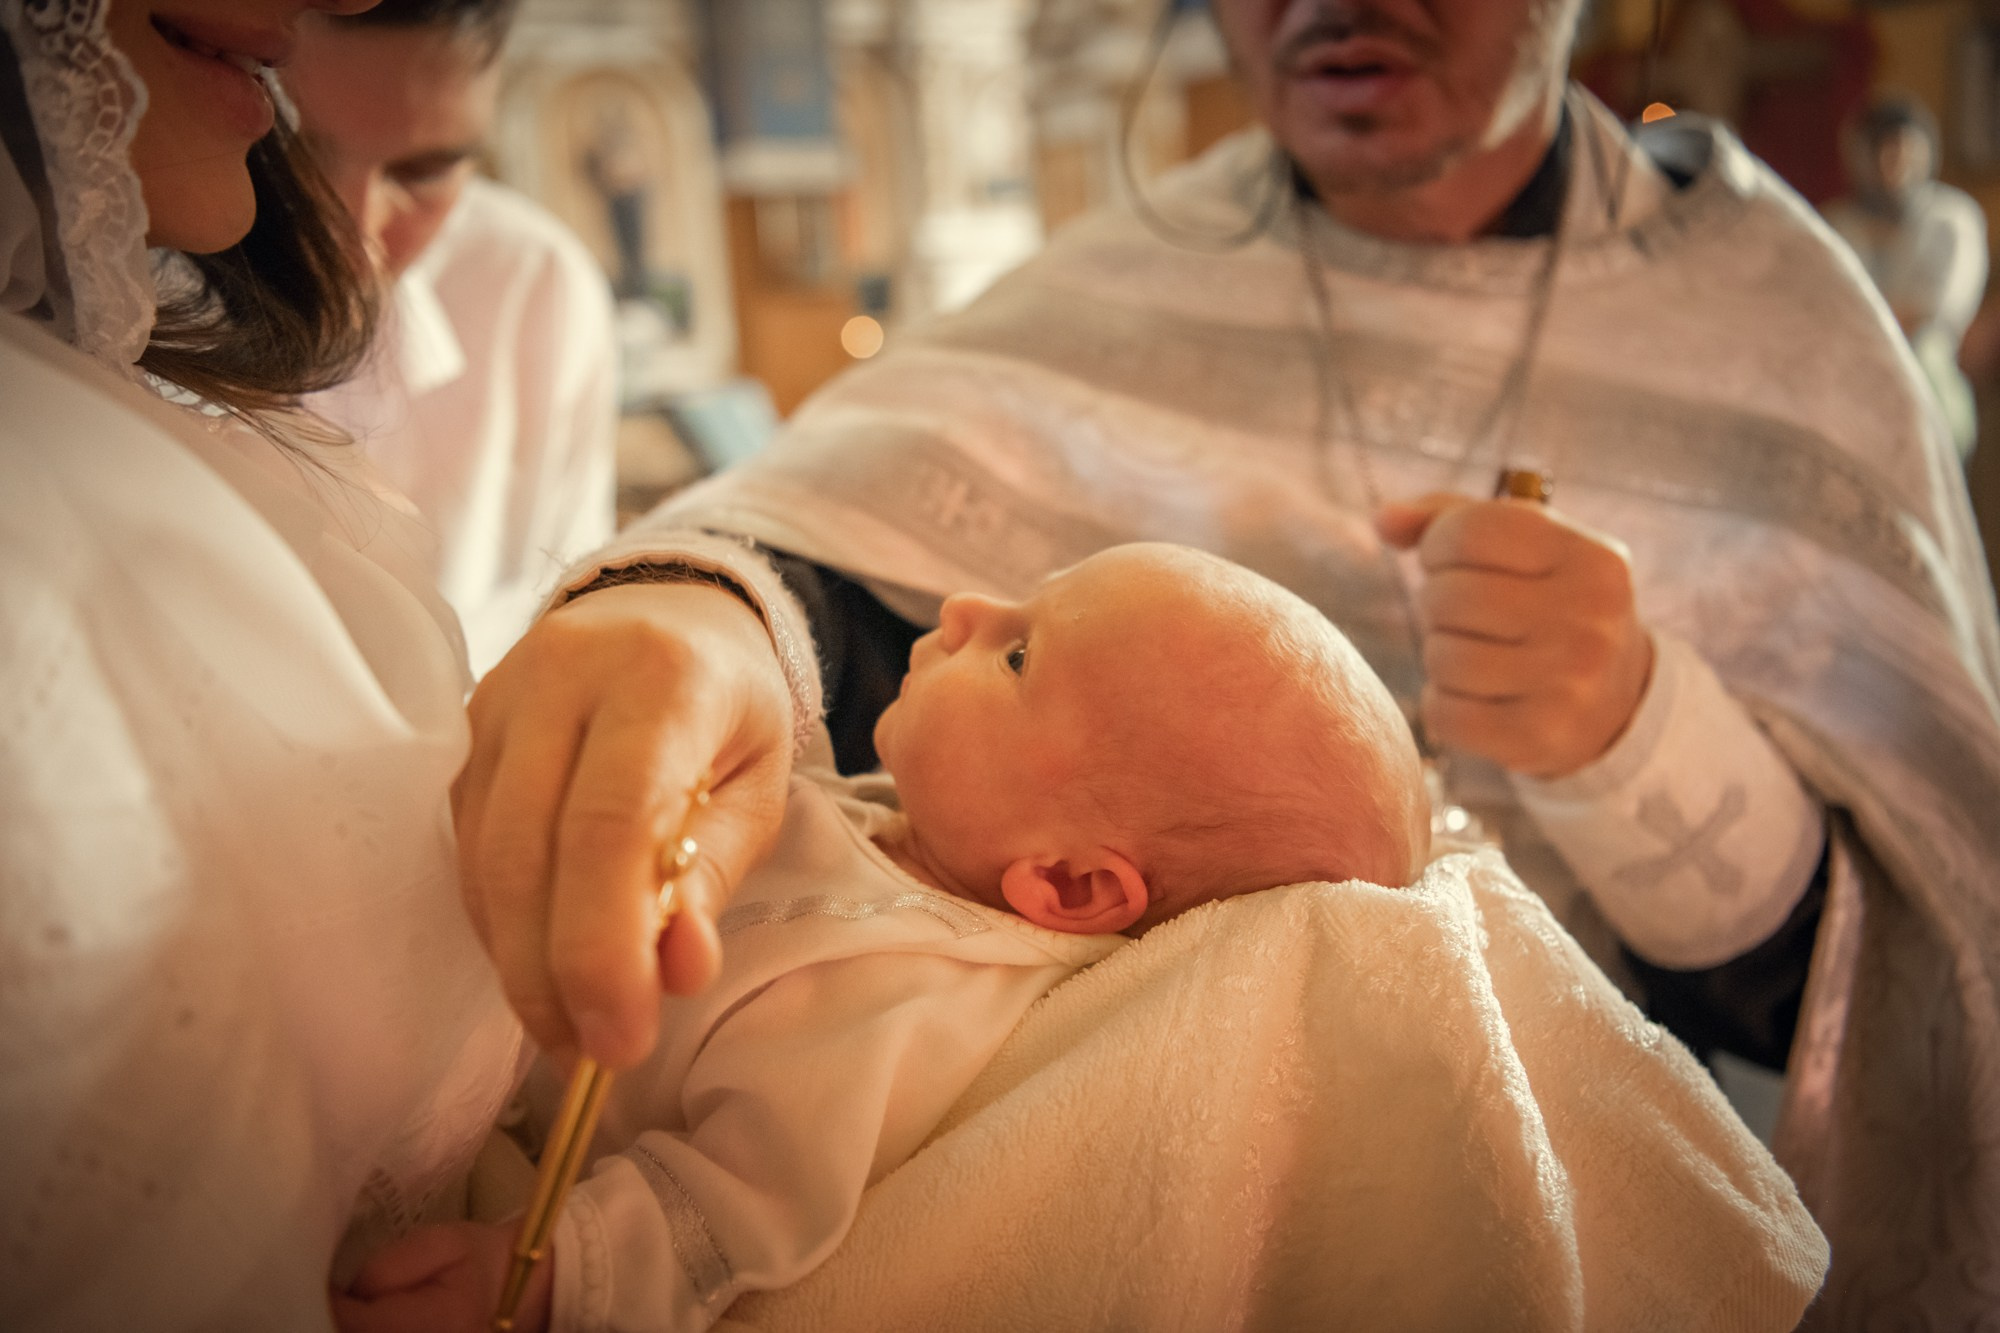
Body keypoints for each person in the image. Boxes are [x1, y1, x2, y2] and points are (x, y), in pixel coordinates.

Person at [452, 0, 2000, 1324]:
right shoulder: (1125, 279)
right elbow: (832, 567)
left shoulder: (1781, 324)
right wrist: (700, 614)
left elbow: (1927, 980)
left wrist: (1642, 742)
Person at [335, 545, 1822, 1333]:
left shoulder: (913, 1006)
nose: (965, 604)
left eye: (1023, 650)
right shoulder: (873, 817)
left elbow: (734, 1215)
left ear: (1068, 890)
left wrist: (549, 1279)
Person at [0, 0, 659, 1324]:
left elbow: (545, 611)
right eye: (316, 144)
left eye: (428, 170)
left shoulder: (533, 295)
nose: (357, 222)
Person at [285, 0, 619, 675]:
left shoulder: (537, 285)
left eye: (424, 172)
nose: (353, 241)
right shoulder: (112, 301)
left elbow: (568, 597)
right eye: (298, 161)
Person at [1822, 91, 1989, 459]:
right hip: (1850, 379)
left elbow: (1936, 308)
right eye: (1886, 150)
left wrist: (1875, 320)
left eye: (1908, 150)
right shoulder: (1839, 223)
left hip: (1928, 383)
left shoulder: (1952, 219)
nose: (1898, 163)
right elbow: (1826, 301)